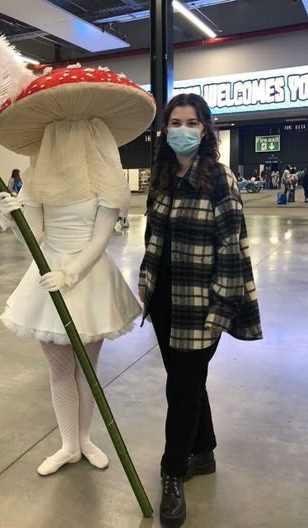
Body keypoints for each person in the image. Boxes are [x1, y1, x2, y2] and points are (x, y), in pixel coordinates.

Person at [0, 65, 155, 478]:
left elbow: (101, 239)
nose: (69, 140)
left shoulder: (104, 180)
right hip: (46, 278)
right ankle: (68, 444)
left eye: (80, 132)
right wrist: (12, 217)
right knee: (60, 368)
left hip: (89, 279)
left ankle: (84, 439)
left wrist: (72, 273)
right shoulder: (35, 180)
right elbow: (36, 235)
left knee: (87, 368)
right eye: (60, 133)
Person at [138, 93, 262, 528]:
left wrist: (220, 311)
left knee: (183, 390)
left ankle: (173, 473)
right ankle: (203, 451)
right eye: (176, 122)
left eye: (192, 122)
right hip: (163, 300)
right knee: (186, 381)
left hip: (199, 304)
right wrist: (145, 288)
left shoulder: (219, 179)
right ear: (165, 128)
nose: (183, 130)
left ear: (206, 129)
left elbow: (234, 248)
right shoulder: (162, 177)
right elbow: (151, 237)